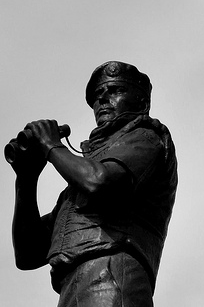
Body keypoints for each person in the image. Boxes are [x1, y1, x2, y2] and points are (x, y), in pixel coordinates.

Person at [8, 61, 178, 307]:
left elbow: (99, 182)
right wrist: (26, 177)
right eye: (98, 96)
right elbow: (28, 253)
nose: (103, 100)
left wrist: (51, 145)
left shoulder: (146, 137)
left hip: (111, 276)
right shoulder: (76, 186)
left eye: (115, 91)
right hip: (73, 287)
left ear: (141, 102)